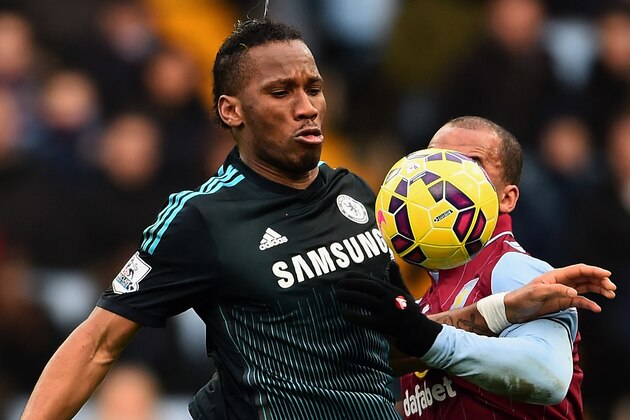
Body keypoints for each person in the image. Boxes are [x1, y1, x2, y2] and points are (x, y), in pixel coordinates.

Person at [21, 20, 615, 420]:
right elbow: (97, 343)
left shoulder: (357, 196)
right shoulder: (202, 217)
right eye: (281, 92)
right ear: (232, 110)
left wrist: (505, 310)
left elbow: (394, 341)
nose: (307, 106)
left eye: (314, 87)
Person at [337, 115, 605, 419]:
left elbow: (548, 374)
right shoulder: (423, 303)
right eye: (437, 160)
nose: (448, 175)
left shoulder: (512, 266)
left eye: (473, 162)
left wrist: (430, 338)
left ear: (507, 198)